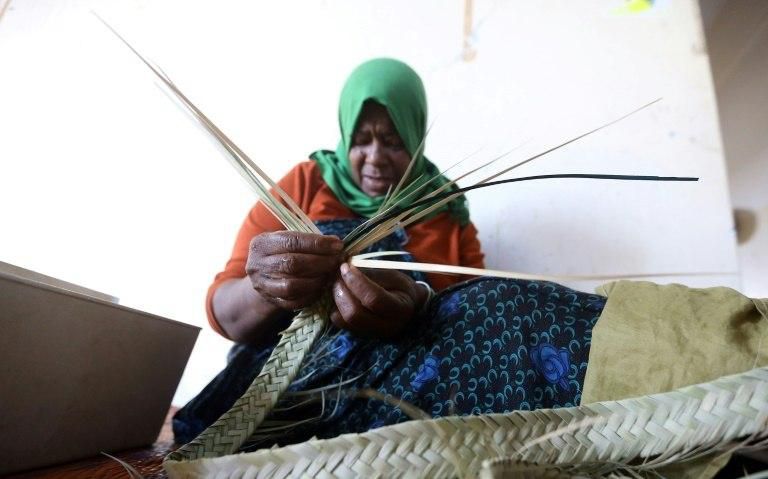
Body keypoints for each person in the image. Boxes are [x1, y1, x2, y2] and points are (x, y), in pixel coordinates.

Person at [173, 58, 605, 448]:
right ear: (344, 135)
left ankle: (613, 394)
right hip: (285, 394)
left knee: (510, 305)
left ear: (416, 137)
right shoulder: (305, 185)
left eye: (394, 141)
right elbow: (223, 312)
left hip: (397, 397)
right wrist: (266, 285)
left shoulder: (444, 207)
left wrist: (417, 301)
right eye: (361, 140)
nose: (375, 158)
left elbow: (473, 317)